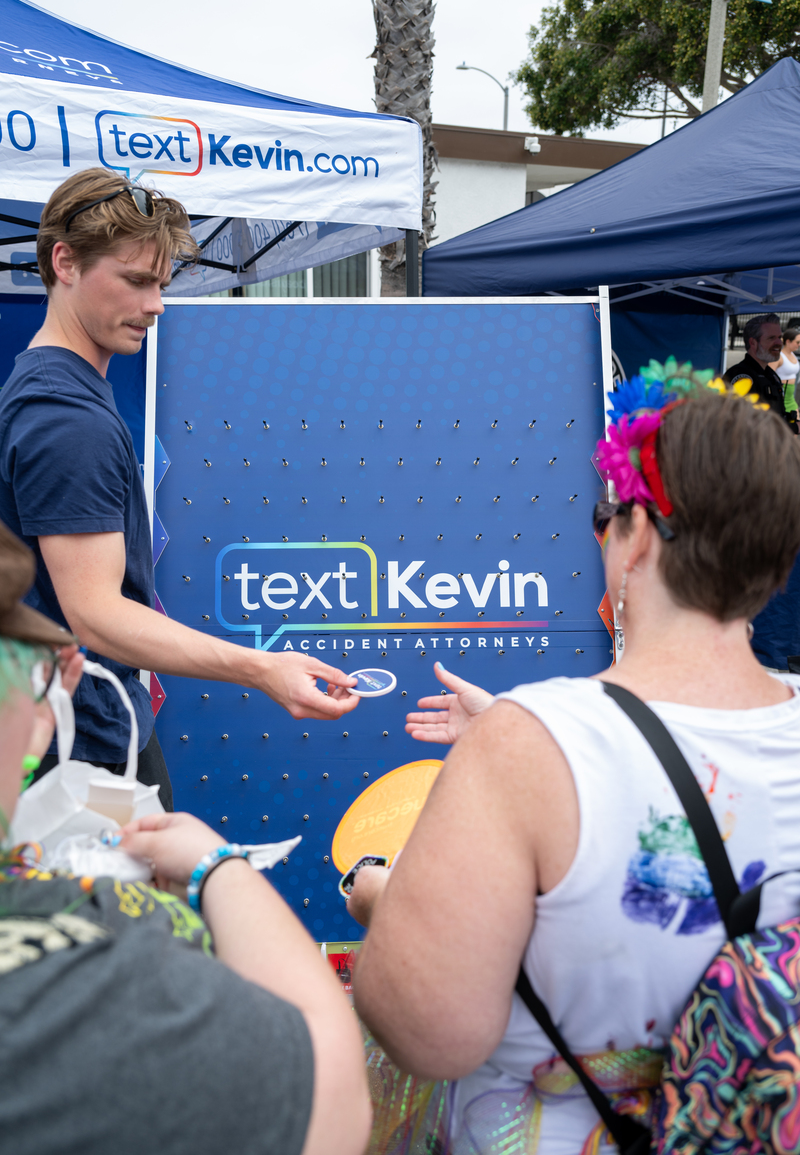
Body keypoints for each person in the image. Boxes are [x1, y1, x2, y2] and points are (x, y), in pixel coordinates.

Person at [347, 367, 800, 1155]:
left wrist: (379, 893)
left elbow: (430, 1032)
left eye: (606, 515)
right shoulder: (532, 742)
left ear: (642, 538)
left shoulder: (526, 748)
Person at [0, 518, 371, 1155]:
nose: (46, 702)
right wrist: (217, 869)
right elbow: (329, 1096)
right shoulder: (73, 979)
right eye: (25, 674)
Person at [0, 168, 359, 810]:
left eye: (161, 284)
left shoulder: (51, 386)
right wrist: (263, 668)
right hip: (84, 753)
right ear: (65, 262)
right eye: (136, 281)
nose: (156, 305)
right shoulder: (64, 418)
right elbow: (96, 614)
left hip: (78, 727)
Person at [724, 313, 795, 428]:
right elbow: (744, 424)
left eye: (779, 337)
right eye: (771, 338)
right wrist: (791, 427)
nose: (779, 343)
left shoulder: (770, 374)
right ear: (753, 342)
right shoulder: (741, 375)